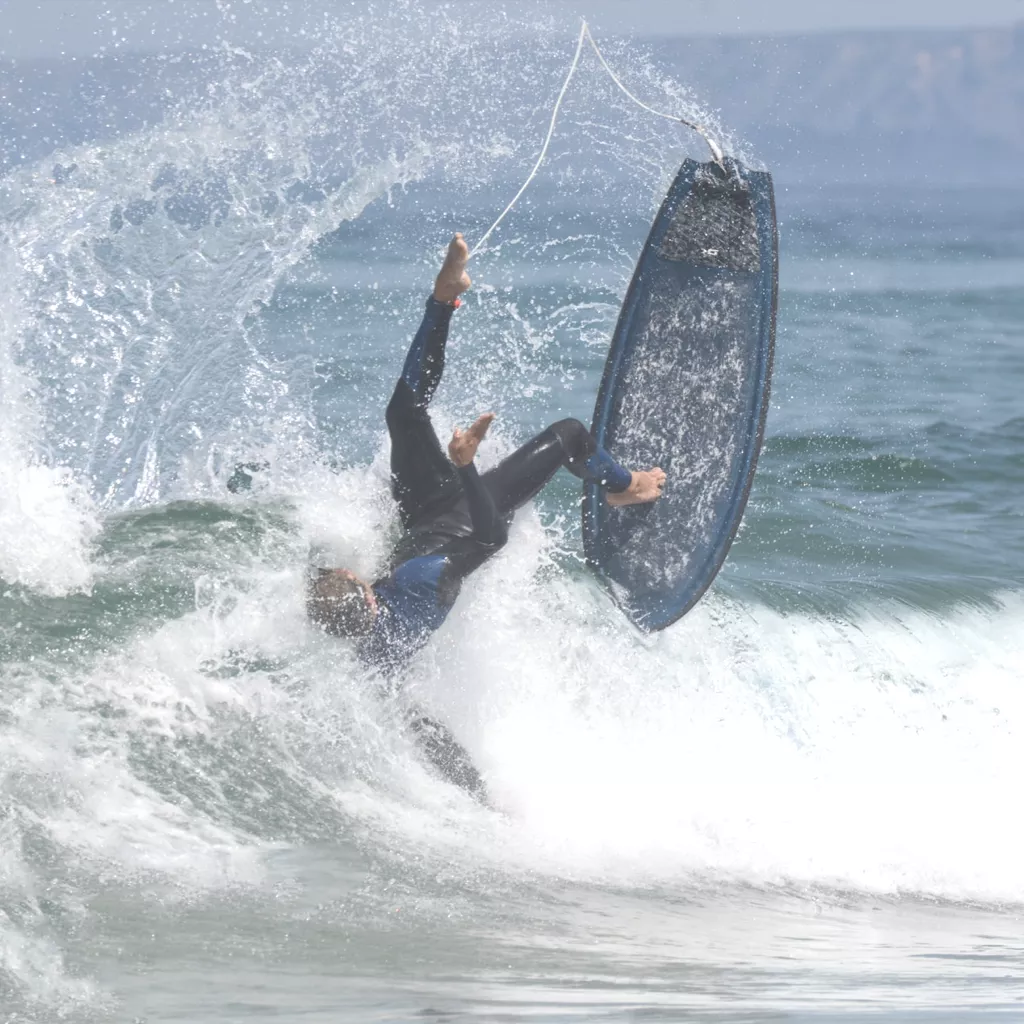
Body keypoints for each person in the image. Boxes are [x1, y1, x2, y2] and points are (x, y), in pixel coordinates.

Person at [308, 234, 665, 793]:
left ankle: (446, 298)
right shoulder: (421, 582)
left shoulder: (374, 655)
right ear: (366, 592)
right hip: (469, 519)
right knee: (570, 436)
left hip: (423, 514)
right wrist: (468, 468)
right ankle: (628, 487)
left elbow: (404, 713)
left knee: (405, 411)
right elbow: (493, 539)